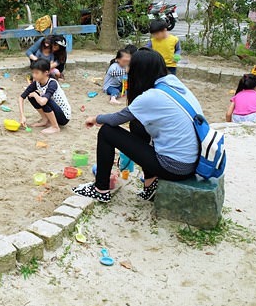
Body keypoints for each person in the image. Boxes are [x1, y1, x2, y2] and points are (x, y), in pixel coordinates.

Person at [73, 48, 201, 203]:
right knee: (137, 125)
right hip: (191, 162)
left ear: (140, 72)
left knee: (107, 132)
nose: (127, 70)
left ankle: (100, 189)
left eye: (130, 67)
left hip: (173, 167)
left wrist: (95, 118)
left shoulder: (151, 96)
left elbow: (116, 119)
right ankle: (150, 185)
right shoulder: (173, 84)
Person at [18, 59, 72, 134]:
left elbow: (43, 102)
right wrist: (22, 116)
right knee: (32, 97)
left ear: (46, 73)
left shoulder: (52, 83)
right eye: (33, 72)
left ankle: (55, 127)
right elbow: (21, 97)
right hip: (53, 112)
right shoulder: (37, 83)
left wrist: (35, 94)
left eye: (37, 73)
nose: (34, 75)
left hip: (63, 117)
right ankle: (45, 120)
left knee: (43, 98)